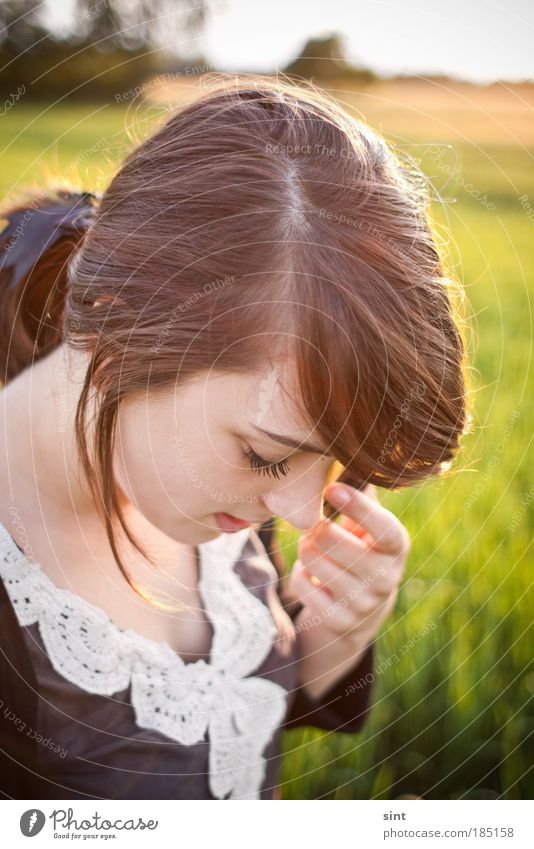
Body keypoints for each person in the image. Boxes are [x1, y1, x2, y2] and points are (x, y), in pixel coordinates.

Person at [0, 75, 470, 800]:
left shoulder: (197, 473)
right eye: (267, 454)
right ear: (123, 321)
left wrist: (326, 641)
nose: (304, 512)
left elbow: (209, 737)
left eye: (325, 457)